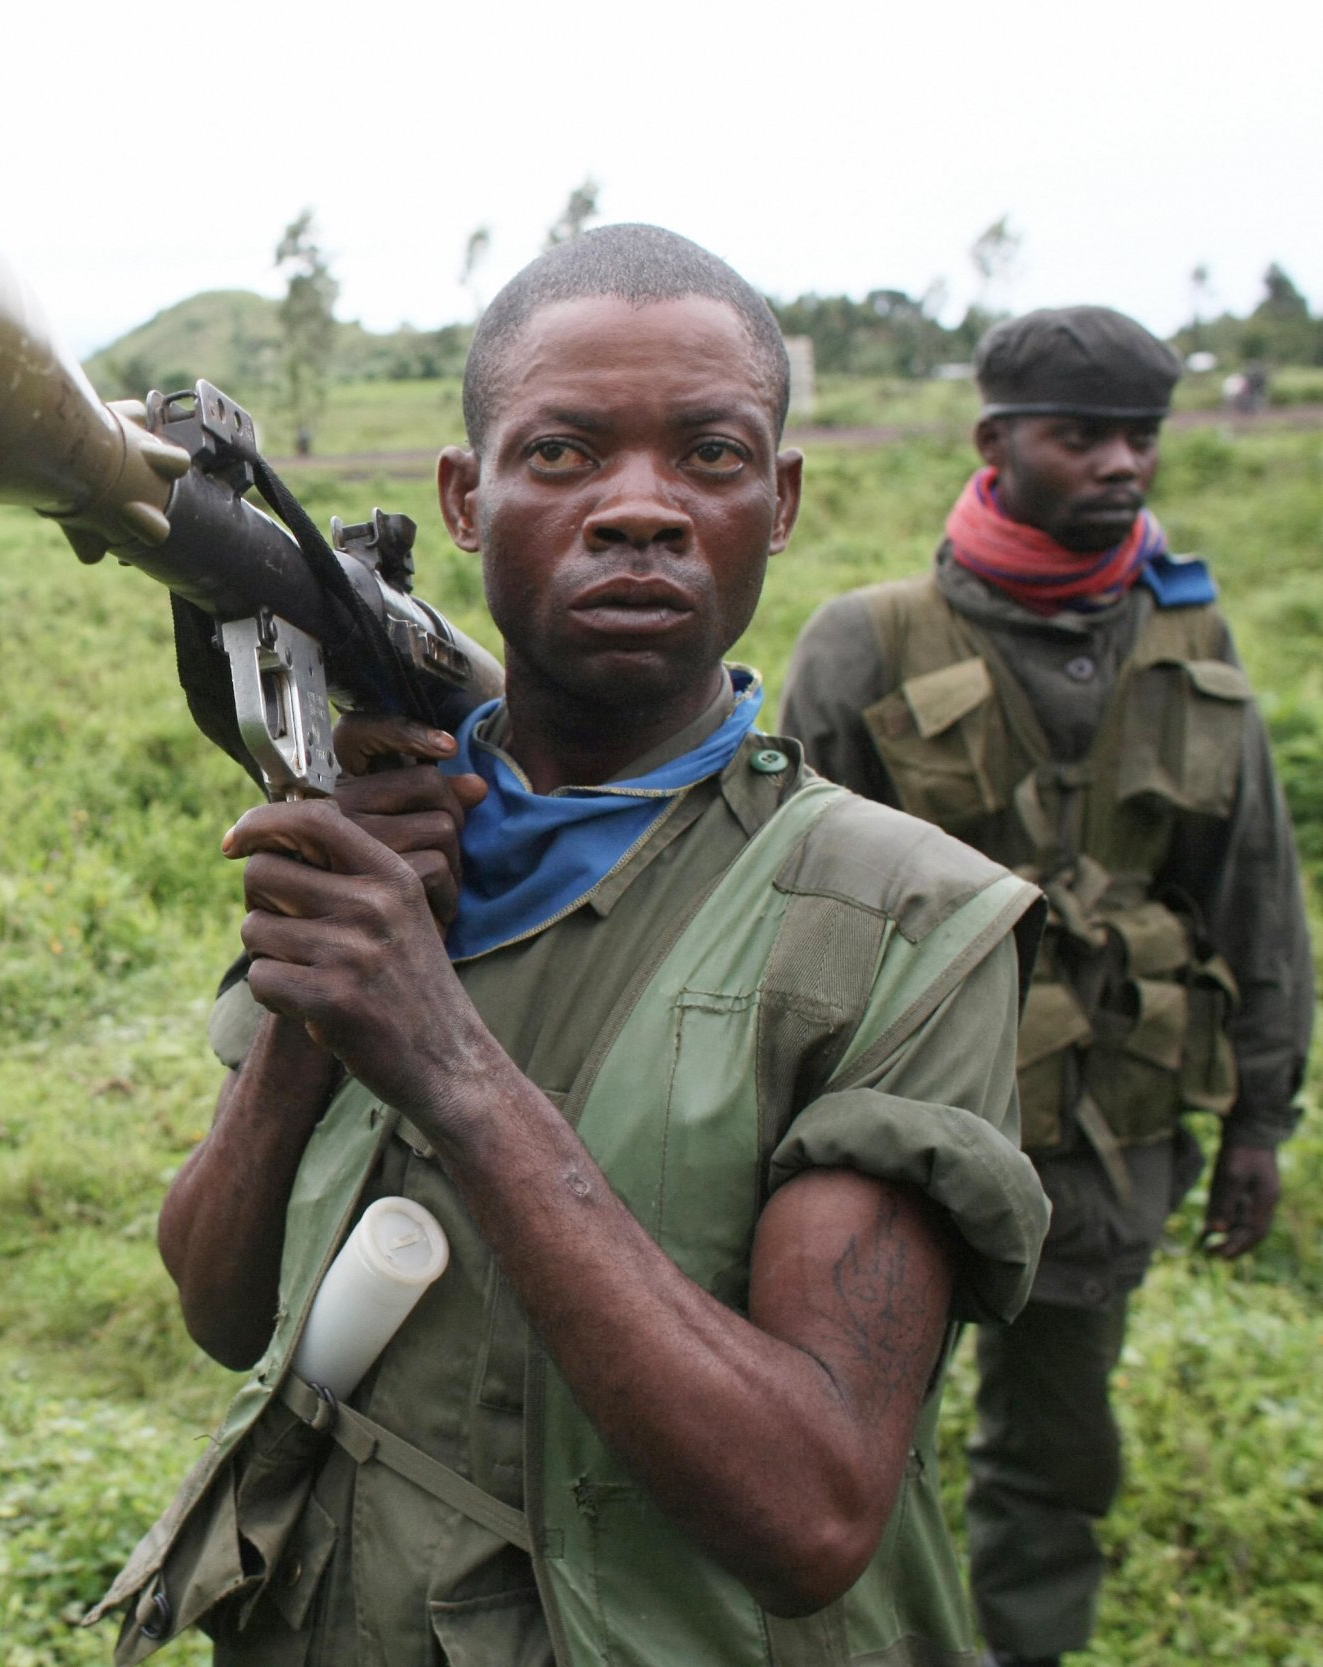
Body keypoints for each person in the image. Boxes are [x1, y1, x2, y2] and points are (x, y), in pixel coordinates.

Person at [92, 225, 1052, 1667]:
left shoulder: (907, 922)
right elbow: (221, 1306)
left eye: (711, 458)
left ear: (780, 500)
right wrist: (313, 1018)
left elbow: (811, 1510)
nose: (640, 510)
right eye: (563, 455)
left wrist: (447, 1061)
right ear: (464, 500)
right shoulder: (391, 828)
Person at [778, 306, 1310, 1667]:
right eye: (1082, 436)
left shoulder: (1193, 641)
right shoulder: (865, 643)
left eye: (1142, 437)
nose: (1122, 464)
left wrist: (1260, 1115)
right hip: (888, 1135)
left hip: (1100, 1133)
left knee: (1056, 1458)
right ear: (995, 442)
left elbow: (1254, 886)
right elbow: (765, 902)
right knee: (835, 1445)